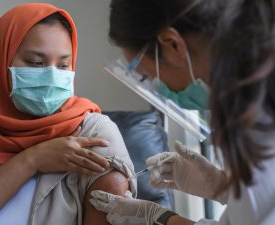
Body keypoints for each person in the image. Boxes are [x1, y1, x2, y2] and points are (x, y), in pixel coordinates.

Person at [90, 0, 275, 224]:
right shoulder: (252, 98)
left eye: (144, 76)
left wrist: (158, 217)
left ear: (173, 44)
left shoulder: (258, 125)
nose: (155, 88)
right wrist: (224, 187)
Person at [0, 3, 136, 225]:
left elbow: (111, 210)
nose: (51, 76)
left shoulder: (94, 131)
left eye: (63, 65)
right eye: (35, 63)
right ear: (1, 60)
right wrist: (32, 160)